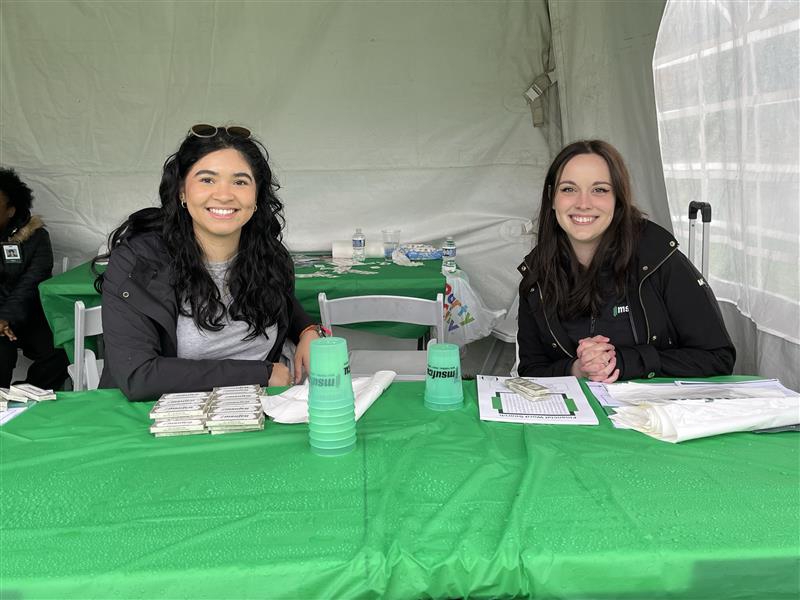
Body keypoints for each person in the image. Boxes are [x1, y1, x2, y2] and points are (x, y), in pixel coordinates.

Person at [97, 125, 322, 401]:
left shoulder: (269, 255)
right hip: (161, 423)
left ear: (256, 196)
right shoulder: (139, 262)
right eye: (207, 180)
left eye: (240, 181)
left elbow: (281, 300)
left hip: (264, 415)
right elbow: (139, 375)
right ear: (182, 190)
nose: (224, 195)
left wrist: (309, 331)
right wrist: (259, 374)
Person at [517, 140, 735, 382]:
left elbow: (718, 357)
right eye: (568, 189)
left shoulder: (658, 259)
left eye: (599, 189)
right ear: (552, 197)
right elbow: (531, 370)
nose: (583, 203)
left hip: (654, 414)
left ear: (618, 199)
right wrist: (578, 369)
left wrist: (623, 362)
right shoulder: (537, 274)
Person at [0, 167, 69, 389]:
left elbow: (31, 283)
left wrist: (6, 317)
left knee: (61, 349)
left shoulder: (36, 236)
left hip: (27, 311)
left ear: (11, 210)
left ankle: (27, 396)